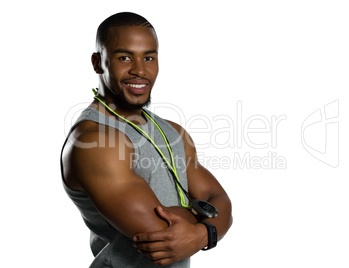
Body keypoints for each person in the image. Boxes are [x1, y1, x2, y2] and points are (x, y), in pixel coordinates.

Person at [60, 12, 232, 267]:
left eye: (149, 57)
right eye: (124, 57)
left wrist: (202, 233)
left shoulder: (172, 130)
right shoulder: (94, 141)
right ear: (98, 63)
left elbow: (218, 198)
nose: (140, 70)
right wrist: (204, 222)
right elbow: (158, 234)